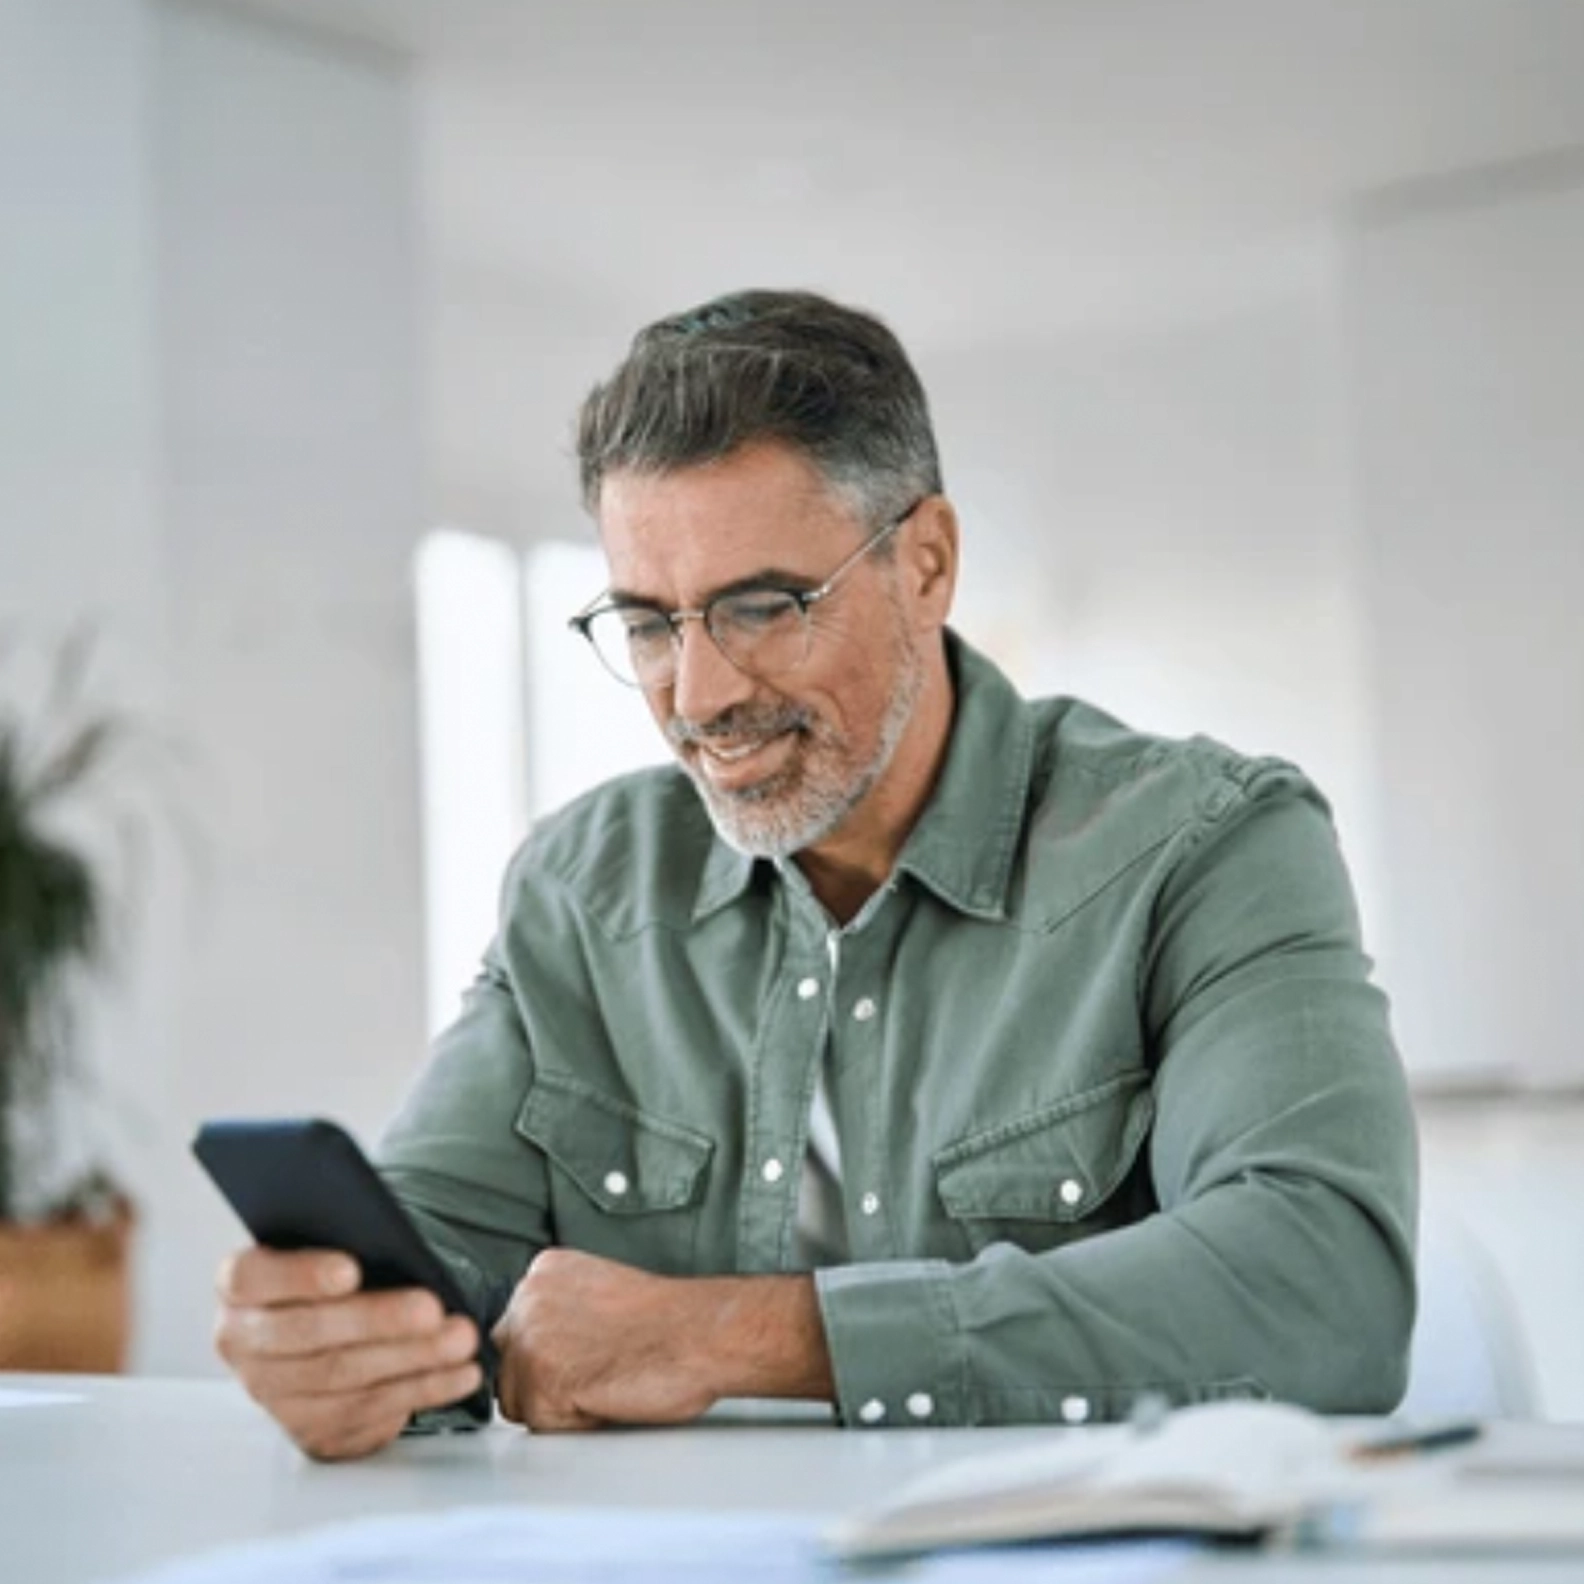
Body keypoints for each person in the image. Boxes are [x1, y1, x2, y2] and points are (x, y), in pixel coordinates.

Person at [214, 289, 1418, 1460]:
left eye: (763, 605)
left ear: (929, 565)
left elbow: (1328, 1286)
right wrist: (339, 1350)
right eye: (647, 624)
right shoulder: (582, 891)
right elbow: (432, 1259)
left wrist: (742, 1337)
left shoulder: (1208, 844)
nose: (700, 697)